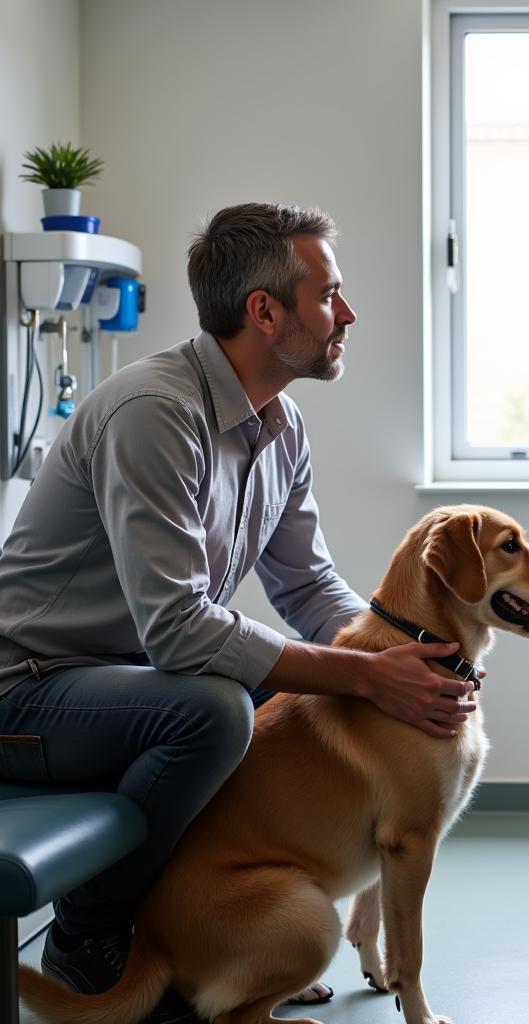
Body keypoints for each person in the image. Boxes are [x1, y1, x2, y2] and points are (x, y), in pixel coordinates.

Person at [0, 203, 479, 1024]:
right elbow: (182, 628)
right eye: (330, 294)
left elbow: (308, 588)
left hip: (122, 682)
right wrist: (366, 675)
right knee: (221, 709)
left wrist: (416, 660)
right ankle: (90, 935)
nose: (348, 314)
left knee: (290, 700)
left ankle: (228, 931)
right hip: (28, 691)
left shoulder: (279, 426)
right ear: (265, 311)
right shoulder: (155, 414)